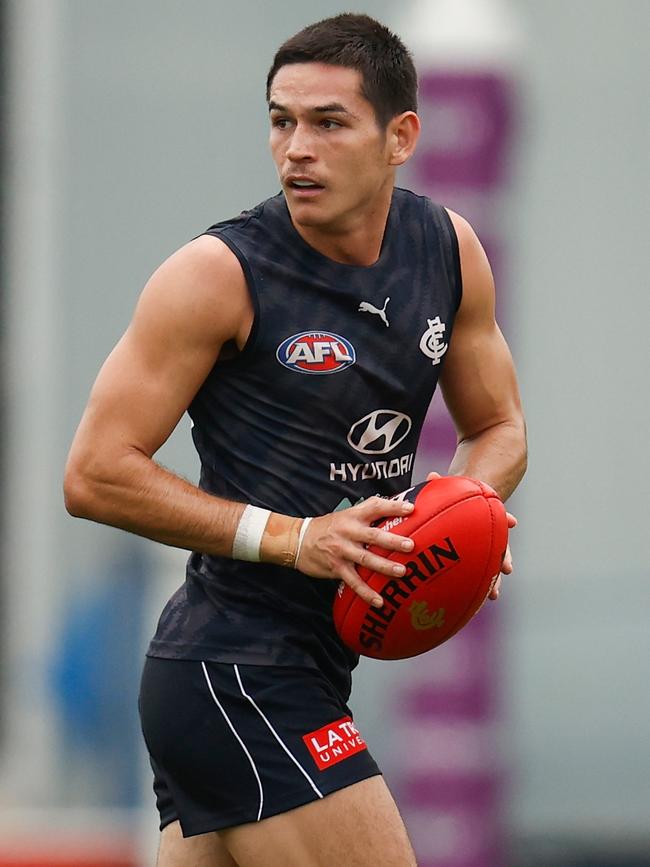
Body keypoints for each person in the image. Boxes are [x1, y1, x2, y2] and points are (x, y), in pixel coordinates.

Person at [64, 12, 526, 867]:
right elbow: (94, 473)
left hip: (295, 671)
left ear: (401, 138)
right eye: (281, 120)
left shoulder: (447, 249)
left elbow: (498, 428)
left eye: (328, 123)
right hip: (235, 667)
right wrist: (296, 538)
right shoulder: (217, 274)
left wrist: (471, 510)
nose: (295, 148)